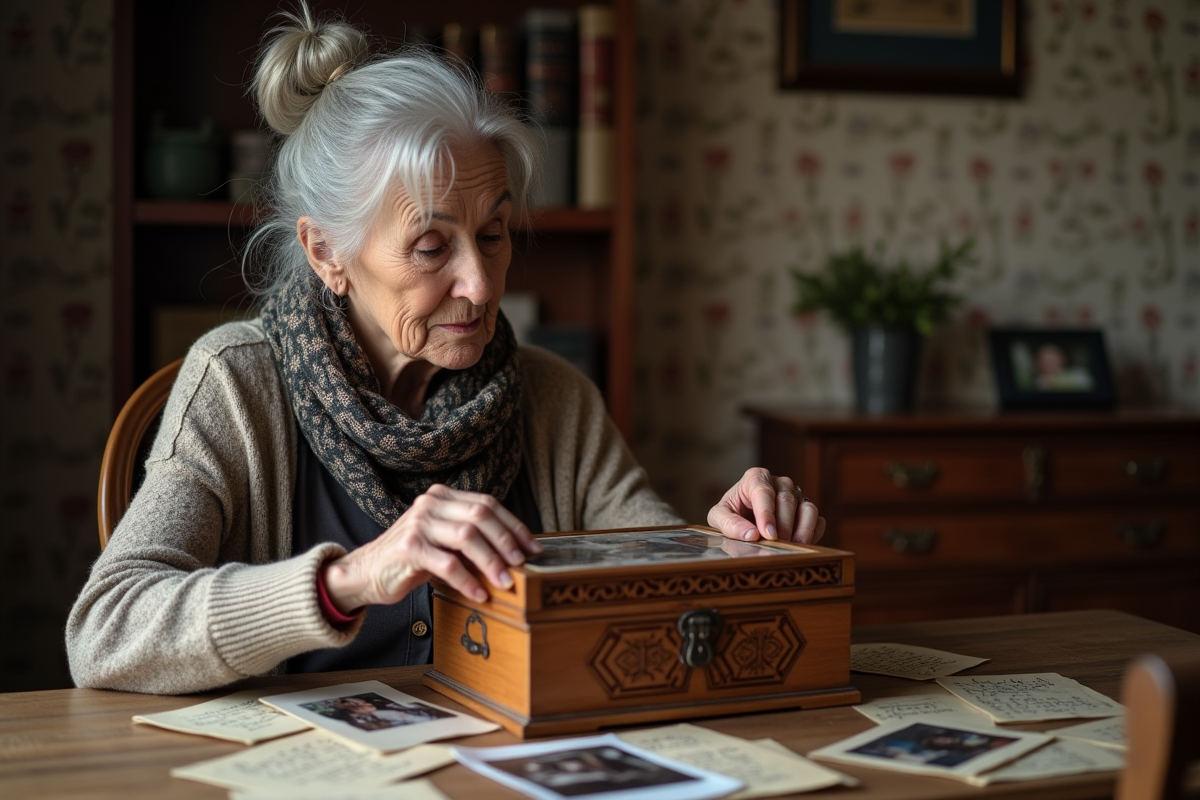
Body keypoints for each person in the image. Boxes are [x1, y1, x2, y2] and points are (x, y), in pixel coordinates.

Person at [66, 3, 825, 694]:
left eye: (493, 235)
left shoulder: (552, 394)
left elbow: (647, 573)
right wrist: (350, 579)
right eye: (432, 246)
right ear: (327, 252)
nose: (481, 284)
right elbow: (106, 633)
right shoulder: (236, 385)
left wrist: (726, 545)